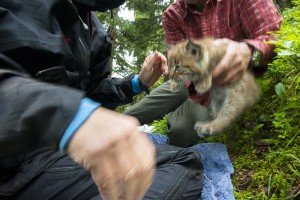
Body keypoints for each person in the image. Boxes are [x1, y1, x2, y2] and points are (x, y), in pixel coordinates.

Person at [0, 0, 204, 199]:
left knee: (174, 164)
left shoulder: (93, 30)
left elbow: (93, 90)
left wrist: (137, 83)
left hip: (50, 160)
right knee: (184, 162)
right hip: (15, 164)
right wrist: (70, 117)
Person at [126, 0, 283, 147]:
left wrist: (249, 52)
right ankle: (112, 127)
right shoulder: (173, 15)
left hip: (232, 83)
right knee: (157, 99)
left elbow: (274, 36)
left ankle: (181, 114)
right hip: (194, 80)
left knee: (180, 132)